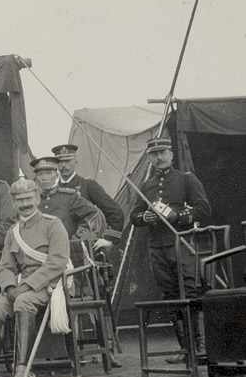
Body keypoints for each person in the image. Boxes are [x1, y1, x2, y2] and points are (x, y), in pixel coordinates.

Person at [0, 176, 70, 377]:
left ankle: (22, 368)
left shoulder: (53, 224)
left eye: (29, 198)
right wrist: (10, 287)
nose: (25, 204)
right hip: (20, 286)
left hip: (50, 284)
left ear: (37, 198)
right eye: (20, 200)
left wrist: (27, 286)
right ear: (14, 203)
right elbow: (6, 266)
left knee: (23, 301)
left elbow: (57, 262)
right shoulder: (13, 232)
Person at [130, 136, 211, 363]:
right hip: (157, 247)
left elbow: (203, 209)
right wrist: (144, 216)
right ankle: (185, 349)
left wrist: (180, 217)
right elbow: (134, 216)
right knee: (170, 295)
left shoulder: (186, 180)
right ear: (149, 158)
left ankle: (201, 348)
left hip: (182, 243)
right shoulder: (147, 186)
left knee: (190, 292)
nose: (159, 157)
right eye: (154, 154)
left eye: (163, 152)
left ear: (171, 154)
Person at [52, 143, 125, 245]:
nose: (64, 166)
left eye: (68, 161)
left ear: (75, 161)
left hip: (83, 244)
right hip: (58, 245)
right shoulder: (53, 190)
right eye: (60, 162)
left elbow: (115, 212)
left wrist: (109, 239)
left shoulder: (88, 185)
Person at [32, 156, 104, 246]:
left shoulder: (69, 197)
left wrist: (77, 240)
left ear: (56, 175)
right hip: (36, 253)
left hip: (65, 253)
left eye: (48, 173)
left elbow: (94, 215)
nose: (44, 177)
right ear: (35, 177)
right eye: (40, 174)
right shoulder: (30, 200)